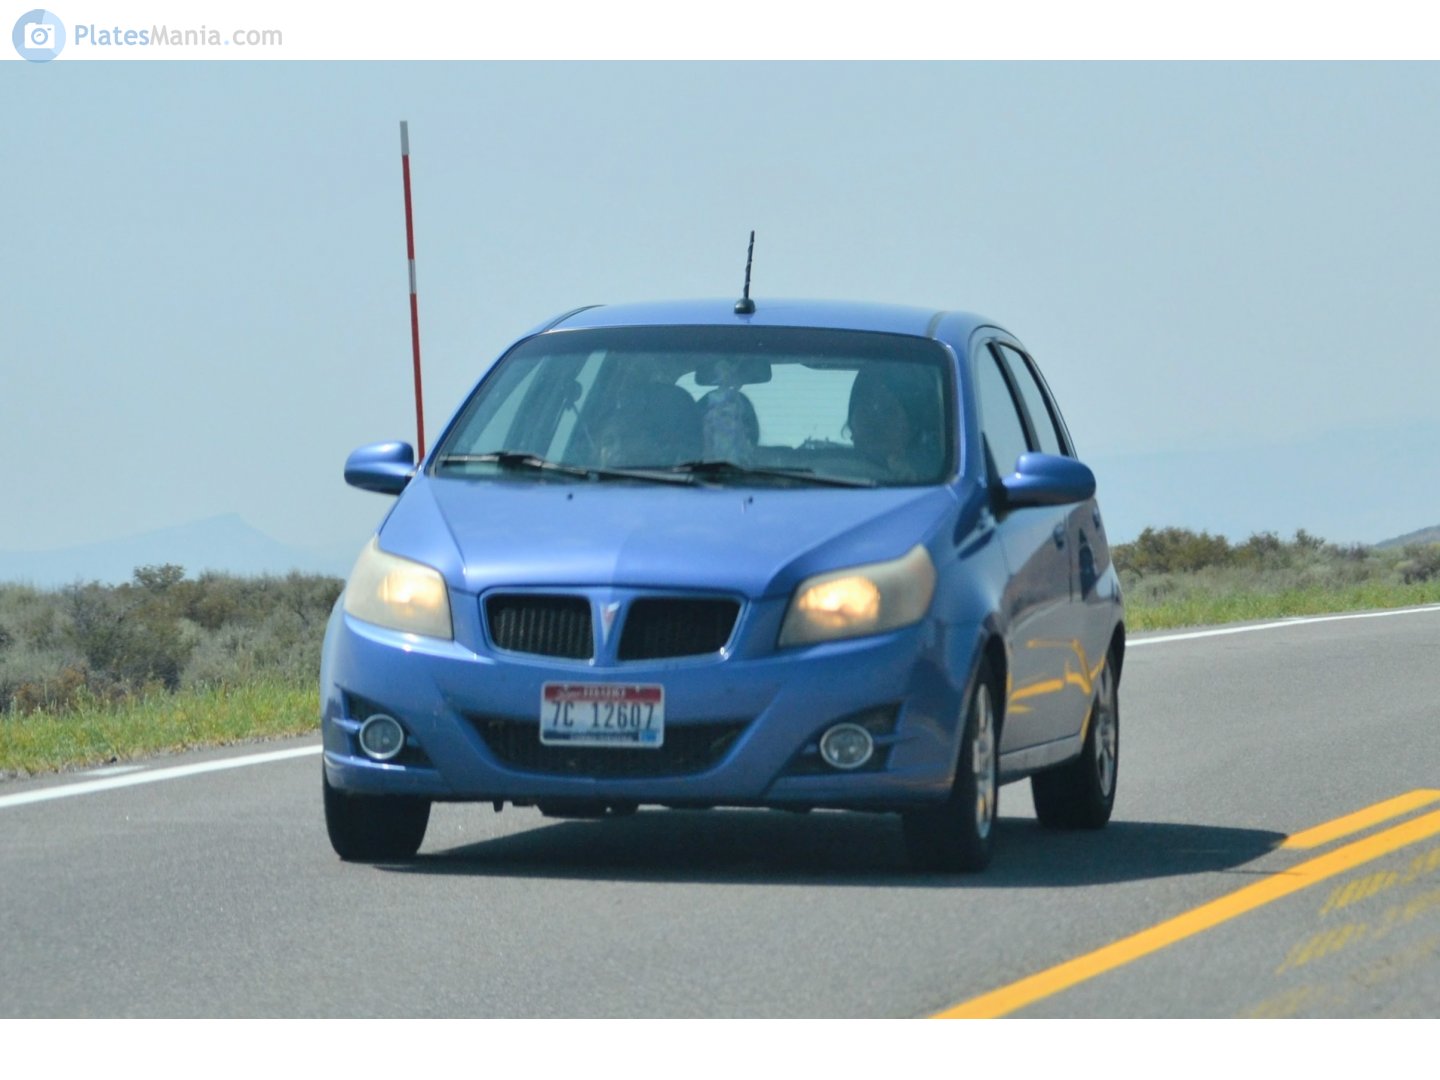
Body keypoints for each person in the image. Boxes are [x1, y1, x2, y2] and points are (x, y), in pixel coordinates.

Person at [847, 363, 942, 483]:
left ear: (911, 427)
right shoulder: (823, 467)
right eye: (865, 408)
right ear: (851, 421)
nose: (875, 420)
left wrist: (910, 481)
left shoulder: (932, 481)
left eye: (887, 410)